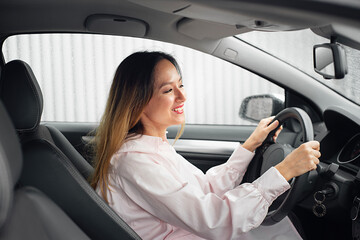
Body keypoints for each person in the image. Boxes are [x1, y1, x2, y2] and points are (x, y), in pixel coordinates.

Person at [90, 51, 321, 240]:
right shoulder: (135, 161)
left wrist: (250, 145)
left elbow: (205, 190)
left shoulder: (151, 147)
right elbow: (214, 221)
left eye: (181, 85)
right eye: (168, 90)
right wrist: (284, 171)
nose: (182, 96)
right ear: (137, 101)